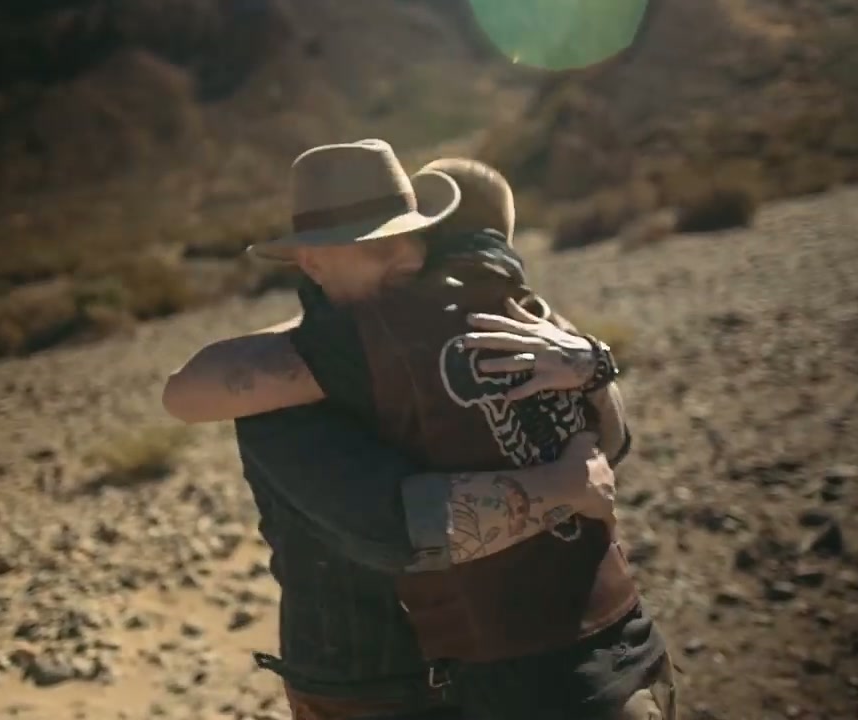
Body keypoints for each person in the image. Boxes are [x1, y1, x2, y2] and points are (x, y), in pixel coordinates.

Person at [165, 141, 675, 719]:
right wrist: (568, 487)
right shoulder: (279, 395)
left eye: (415, 234)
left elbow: (610, 444)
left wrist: (591, 363)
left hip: (482, 674)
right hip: (364, 679)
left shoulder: (447, 337)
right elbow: (397, 529)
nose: (408, 255)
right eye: (378, 244)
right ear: (314, 263)